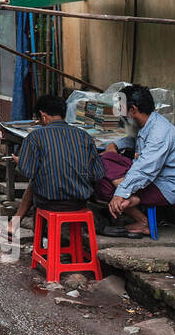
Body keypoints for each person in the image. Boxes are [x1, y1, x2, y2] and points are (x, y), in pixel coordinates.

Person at [98, 85, 175, 237]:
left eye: (123, 111)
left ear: (133, 110)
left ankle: (128, 198)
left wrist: (121, 193)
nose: (122, 116)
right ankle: (140, 217)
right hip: (151, 178)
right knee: (103, 173)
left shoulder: (159, 132)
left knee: (107, 174)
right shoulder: (146, 124)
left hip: (164, 186)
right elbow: (133, 141)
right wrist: (114, 145)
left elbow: (145, 169)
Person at [7, 94, 106, 239]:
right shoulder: (84, 136)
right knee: (40, 179)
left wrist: (20, 161)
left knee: (34, 182)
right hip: (79, 202)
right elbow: (98, 174)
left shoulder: (35, 137)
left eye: (39, 120)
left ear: (43, 115)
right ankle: (17, 224)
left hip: (50, 202)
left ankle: (39, 240)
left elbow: (28, 171)